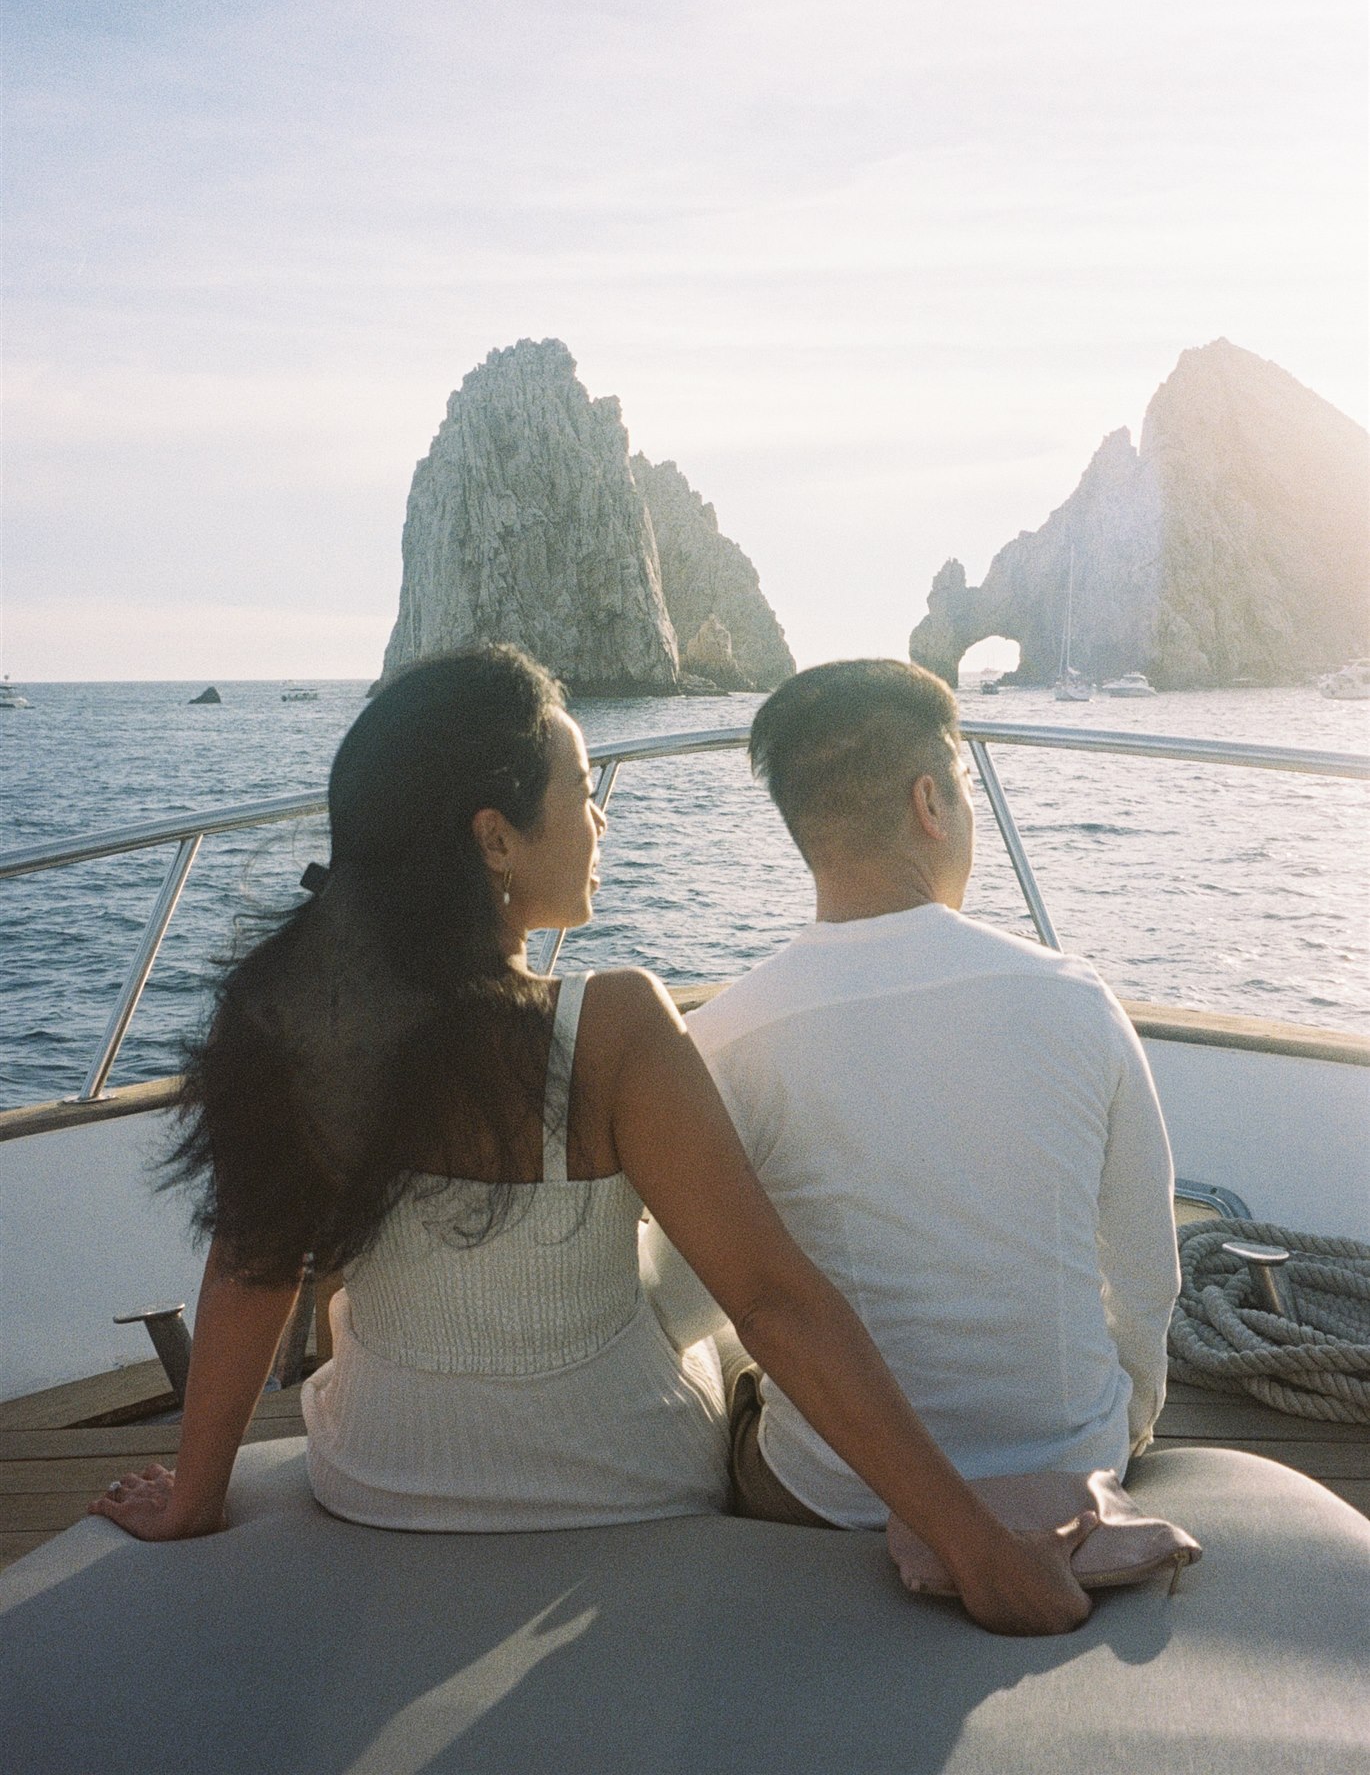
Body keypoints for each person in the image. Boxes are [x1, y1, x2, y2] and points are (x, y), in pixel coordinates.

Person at [91, 647, 1096, 1635]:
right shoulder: (610, 1023)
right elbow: (773, 1296)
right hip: (624, 1477)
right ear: (495, 838)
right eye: (580, 788)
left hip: (378, 1475)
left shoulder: (291, 1013)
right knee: (735, 1336)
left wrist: (194, 1496)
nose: (599, 814)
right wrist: (973, 1544)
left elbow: (250, 1262)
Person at [644, 657, 1180, 1531]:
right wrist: (1128, 1425)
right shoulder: (1076, 1001)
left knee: (729, 1367)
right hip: (1076, 1473)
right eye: (964, 788)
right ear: (931, 803)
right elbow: (1146, 1271)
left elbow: (683, 1303)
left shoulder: (725, 1038)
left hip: (837, 1498)